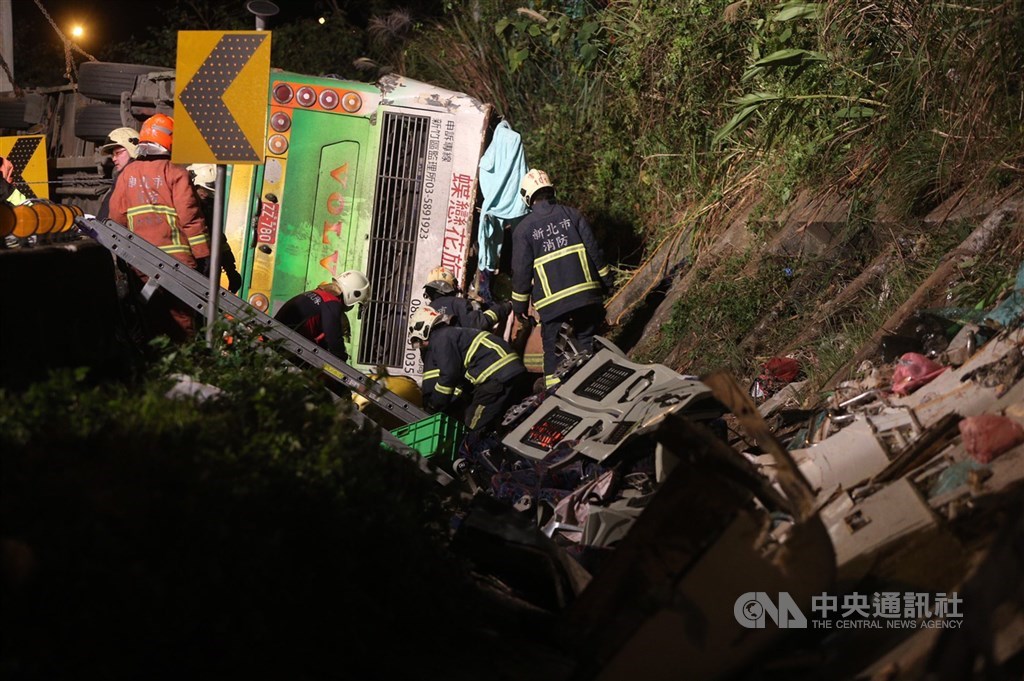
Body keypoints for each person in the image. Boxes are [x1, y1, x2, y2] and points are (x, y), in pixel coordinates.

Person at [108, 114, 210, 342]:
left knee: (151, 320)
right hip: (178, 264)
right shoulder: (175, 172)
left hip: (141, 262)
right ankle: (185, 369)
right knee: (182, 323)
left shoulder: (127, 176)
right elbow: (190, 217)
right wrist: (203, 256)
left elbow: (116, 218)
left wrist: (122, 256)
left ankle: (157, 370)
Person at [510, 168, 614, 390]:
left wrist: (519, 307)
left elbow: (521, 272)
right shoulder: (572, 215)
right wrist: (607, 281)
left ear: (527, 197)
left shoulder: (524, 230)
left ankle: (555, 394)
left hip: (552, 303)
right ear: (550, 189)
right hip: (585, 294)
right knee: (586, 337)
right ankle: (594, 383)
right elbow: (594, 251)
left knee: (553, 348)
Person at [408, 306, 532, 432]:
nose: (421, 347)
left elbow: (449, 376)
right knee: (507, 419)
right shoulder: (451, 333)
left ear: (423, 330)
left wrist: (433, 406)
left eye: (419, 341)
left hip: (495, 376)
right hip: (509, 370)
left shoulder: (440, 339)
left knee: (471, 426)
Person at [273, 270, 370, 362]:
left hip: (276, 339)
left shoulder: (316, 294)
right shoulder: (331, 302)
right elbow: (334, 341)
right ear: (353, 294)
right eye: (355, 303)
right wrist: (342, 362)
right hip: (283, 347)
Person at [186, 163, 242, 294]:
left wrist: (230, 269)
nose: (206, 195)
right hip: (189, 264)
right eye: (204, 191)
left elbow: (218, 239)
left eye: (210, 193)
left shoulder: (209, 206)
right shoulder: (184, 204)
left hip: (205, 267)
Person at [422, 266, 511, 332]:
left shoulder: (425, 315)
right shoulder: (456, 303)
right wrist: (505, 307)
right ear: (450, 287)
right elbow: (480, 323)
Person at [96, 127, 140, 220]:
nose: (114, 159)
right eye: (113, 155)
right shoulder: (126, 176)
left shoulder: (127, 177)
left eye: (118, 153)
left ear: (133, 149)